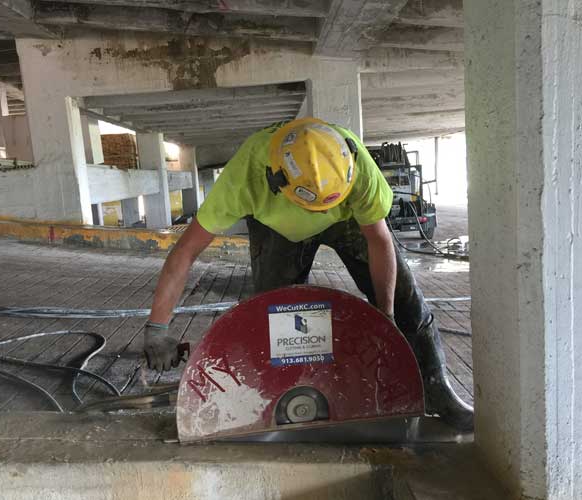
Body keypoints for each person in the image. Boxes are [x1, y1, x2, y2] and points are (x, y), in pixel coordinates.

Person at [143, 118, 473, 431]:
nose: (320, 214)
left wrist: (385, 317)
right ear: (275, 179)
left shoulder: (356, 165)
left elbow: (378, 239)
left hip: (348, 221)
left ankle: (437, 390)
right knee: (274, 318)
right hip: (278, 229)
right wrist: (157, 329)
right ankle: (282, 395)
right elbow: (185, 251)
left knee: (406, 302)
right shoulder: (244, 177)